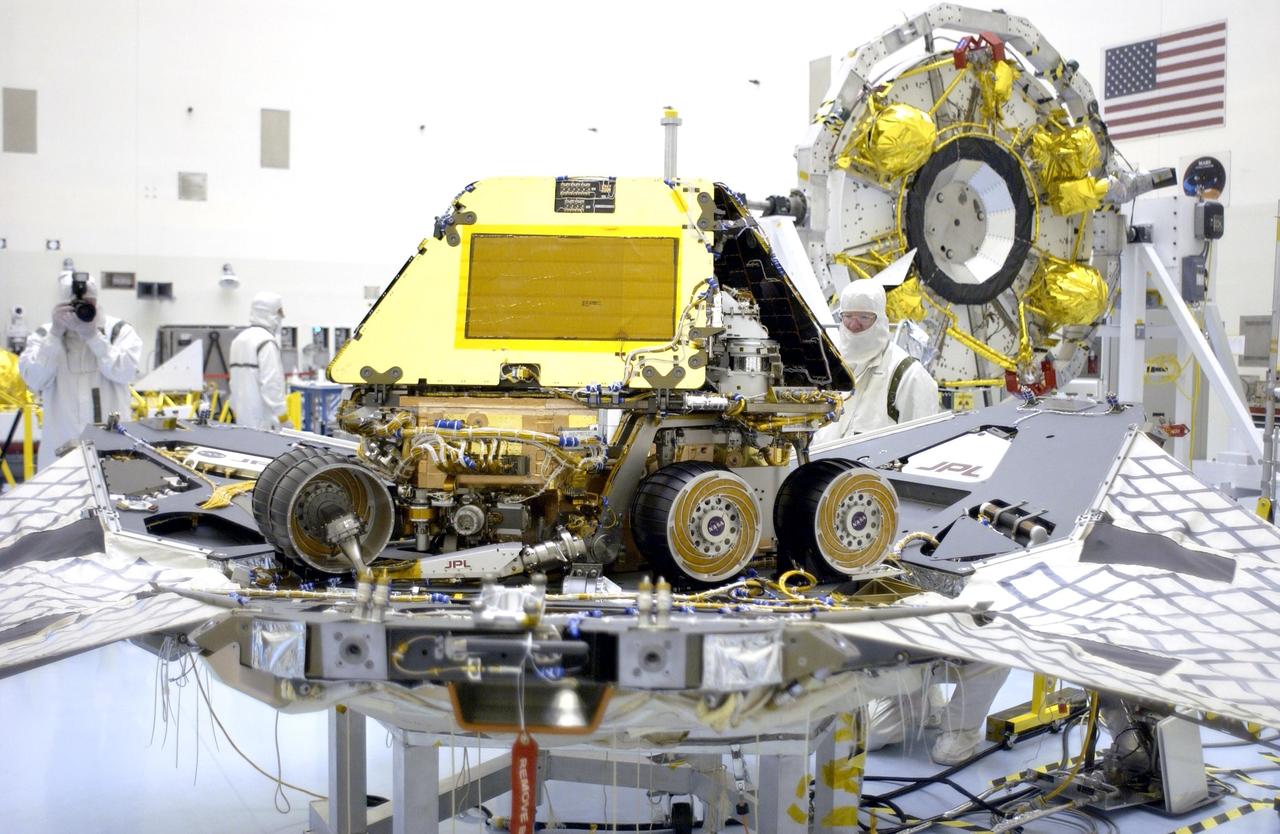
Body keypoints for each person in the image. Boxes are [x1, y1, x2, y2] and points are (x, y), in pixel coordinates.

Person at [19, 271, 142, 470]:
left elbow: (126, 372)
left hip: (111, 449)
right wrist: (55, 335)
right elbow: (34, 380)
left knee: (115, 496)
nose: (82, 311)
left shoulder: (118, 331)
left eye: (88, 304)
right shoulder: (45, 335)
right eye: (75, 306)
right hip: (60, 450)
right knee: (60, 500)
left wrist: (94, 337)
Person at [829, 279, 939, 436]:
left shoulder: (908, 376)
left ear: (880, 320)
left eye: (864, 317)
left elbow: (923, 443)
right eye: (847, 316)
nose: (854, 325)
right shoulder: (828, 368)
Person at [229, 291, 288, 430]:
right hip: (264, 421)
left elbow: (233, 382)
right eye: (279, 312)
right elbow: (271, 384)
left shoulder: (239, 340)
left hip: (242, 418)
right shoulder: (266, 341)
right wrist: (283, 417)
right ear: (270, 313)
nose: (282, 317)